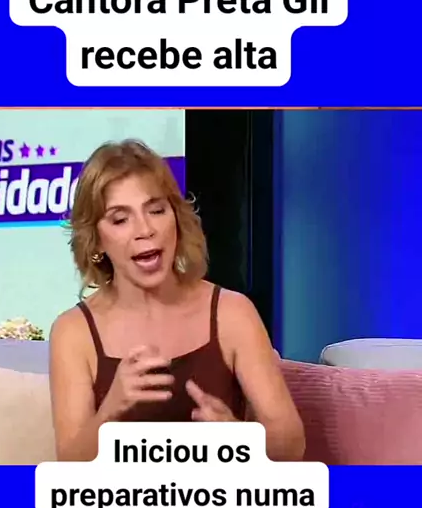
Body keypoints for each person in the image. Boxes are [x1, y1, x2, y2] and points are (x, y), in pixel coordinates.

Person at [49, 139, 305, 462]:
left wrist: (239, 437)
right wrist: (111, 411)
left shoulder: (232, 312)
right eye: (120, 219)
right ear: (96, 241)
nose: (145, 229)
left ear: (176, 219)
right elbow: (69, 466)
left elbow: (292, 446)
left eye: (156, 210)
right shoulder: (73, 332)